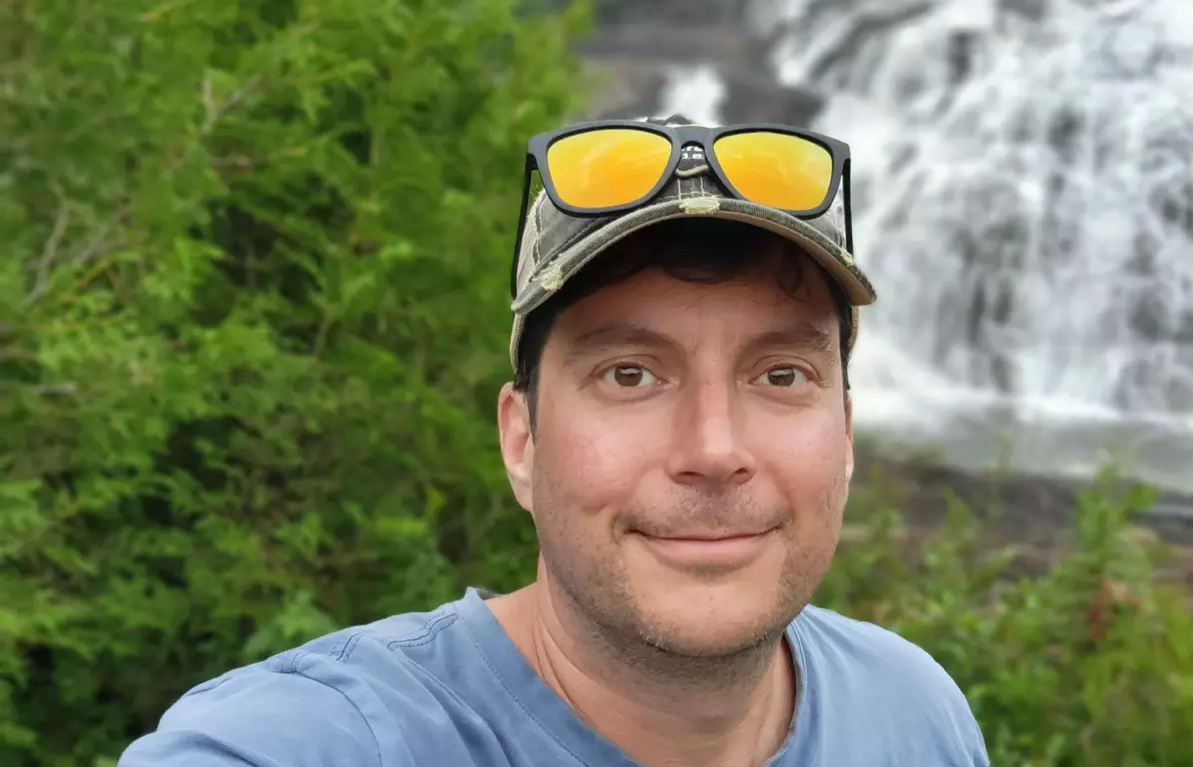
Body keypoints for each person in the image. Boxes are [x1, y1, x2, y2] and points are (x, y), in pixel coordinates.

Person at [119, 115, 990, 766]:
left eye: (780, 376)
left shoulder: (913, 712)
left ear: (843, 432)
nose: (714, 448)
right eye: (629, 375)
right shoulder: (313, 743)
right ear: (521, 440)